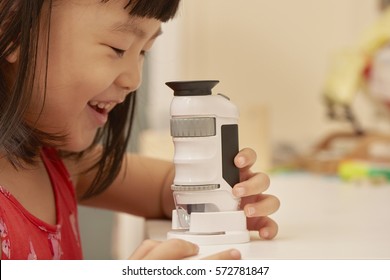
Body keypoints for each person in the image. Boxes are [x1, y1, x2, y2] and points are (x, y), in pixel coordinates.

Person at [0, 0, 280, 260]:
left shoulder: (59, 162)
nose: (134, 79)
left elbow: (161, 189)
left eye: (144, 51)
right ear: (12, 33)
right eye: (118, 48)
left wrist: (217, 195)